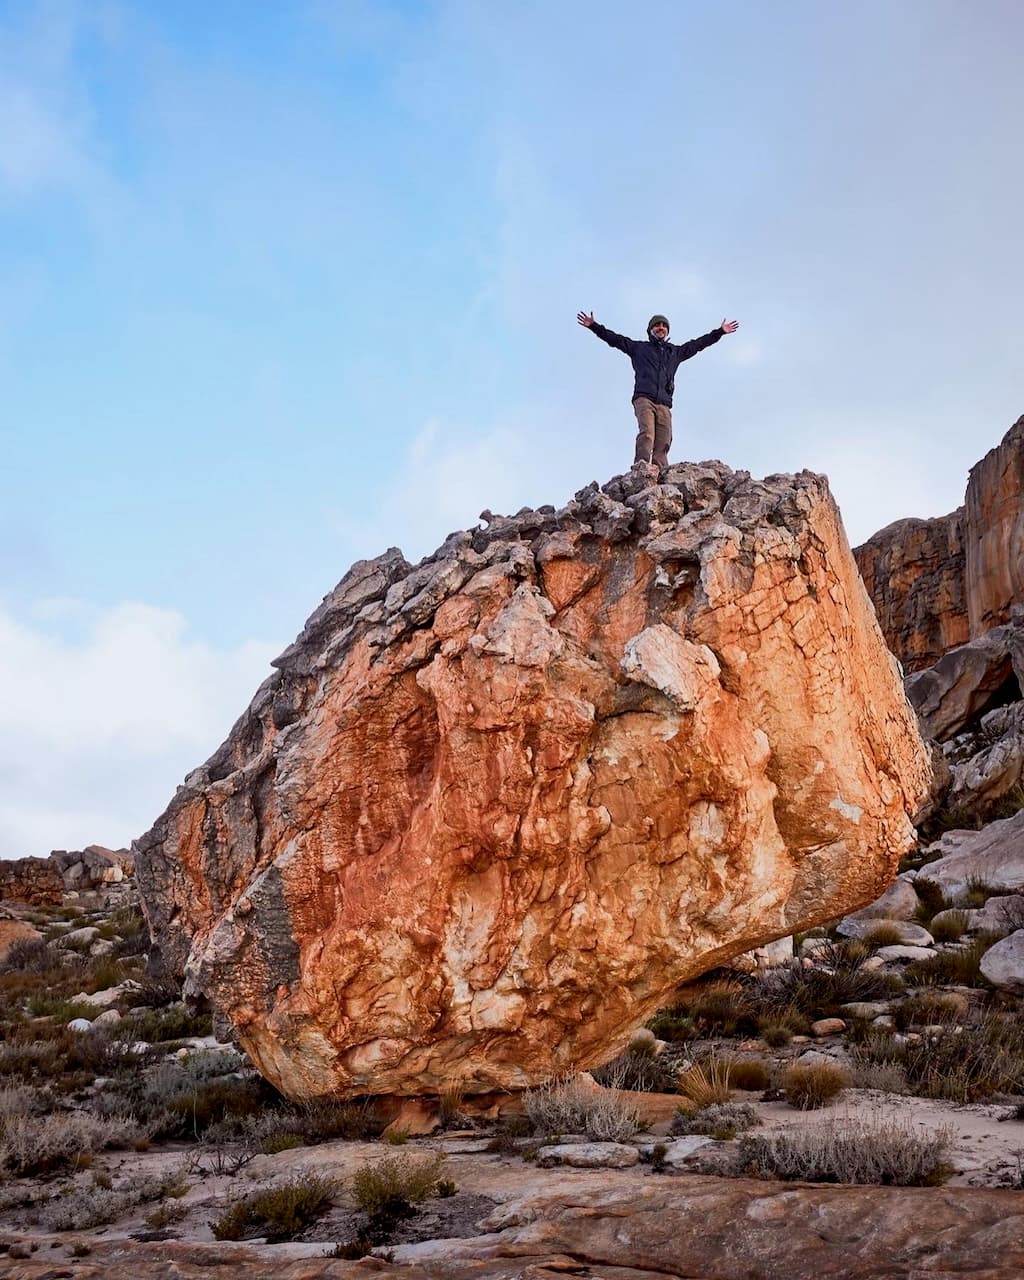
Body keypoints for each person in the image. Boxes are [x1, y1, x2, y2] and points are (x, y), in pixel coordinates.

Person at [577, 311, 739, 471]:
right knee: (647, 434)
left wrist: (719, 332)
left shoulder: (674, 352)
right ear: (650, 330)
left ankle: (660, 473)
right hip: (644, 399)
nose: (661, 328)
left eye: (664, 326)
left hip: (664, 403)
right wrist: (594, 326)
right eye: (657, 325)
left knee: (664, 440)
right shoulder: (639, 348)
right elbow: (614, 339)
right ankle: (641, 470)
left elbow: (698, 344)